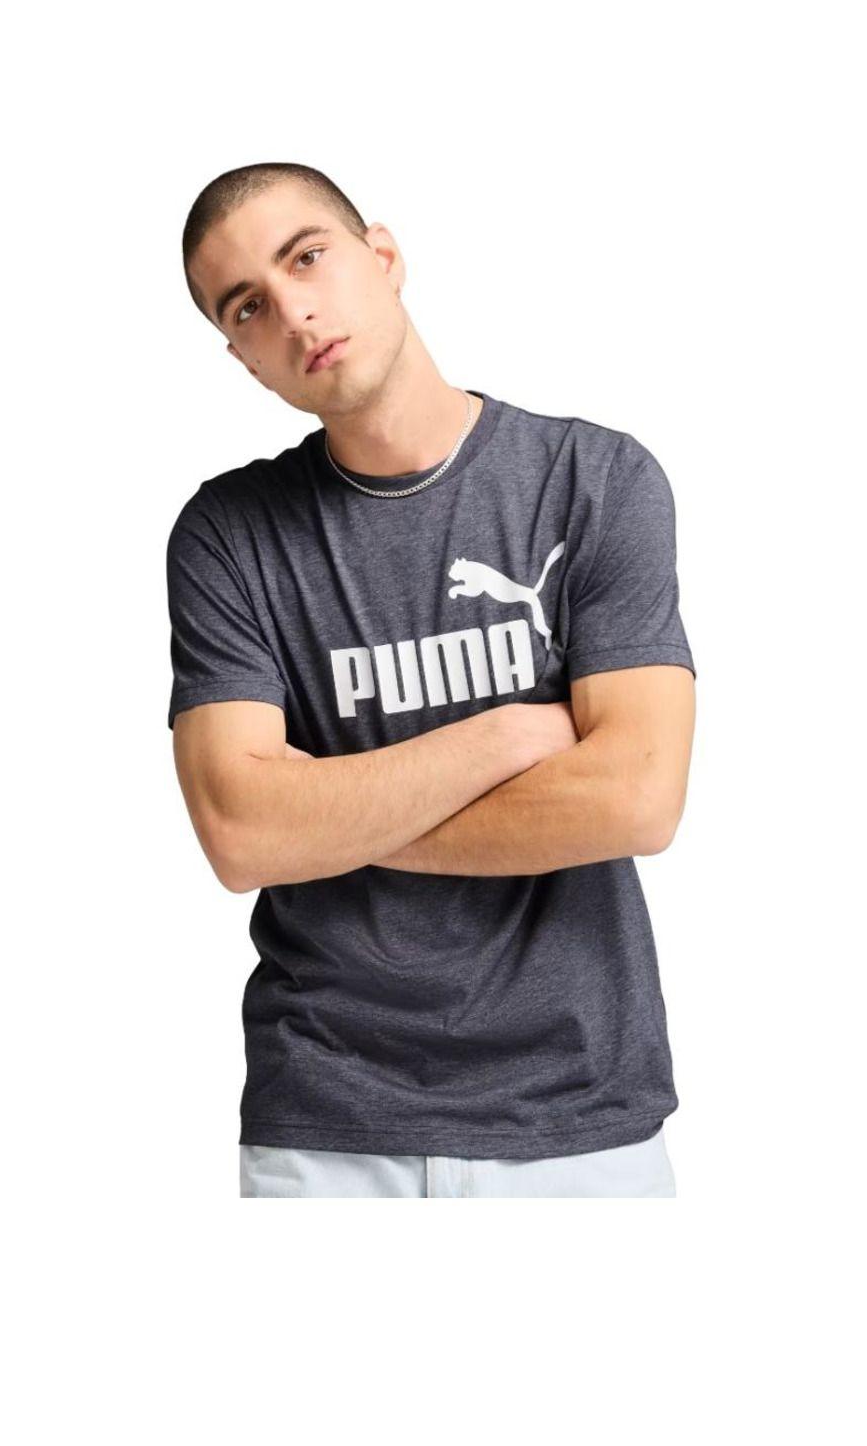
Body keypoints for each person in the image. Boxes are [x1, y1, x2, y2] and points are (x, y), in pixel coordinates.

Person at [166, 162, 697, 1198]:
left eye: (306, 257)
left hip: (581, 1117)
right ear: (243, 359)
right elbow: (241, 834)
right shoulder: (228, 537)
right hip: (328, 1123)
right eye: (248, 306)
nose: (293, 311)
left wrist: (320, 817)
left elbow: (637, 797)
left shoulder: (593, 481)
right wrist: (507, 736)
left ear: (383, 255)